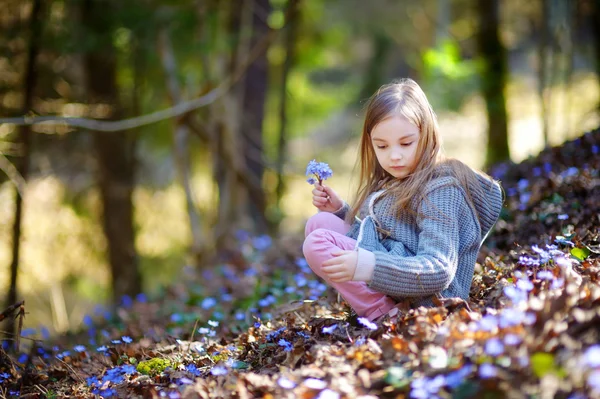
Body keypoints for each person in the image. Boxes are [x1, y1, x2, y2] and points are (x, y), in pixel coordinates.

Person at [302, 78, 504, 322]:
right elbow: (382, 238)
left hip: (431, 299)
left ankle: (384, 314)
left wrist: (367, 266)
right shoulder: (394, 180)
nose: (394, 156)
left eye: (406, 143)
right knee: (319, 223)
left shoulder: (441, 189)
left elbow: (439, 270)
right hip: (393, 272)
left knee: (317, 243)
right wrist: (339, 211)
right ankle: (382, 305)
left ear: (427, 135)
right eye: (382, 146)